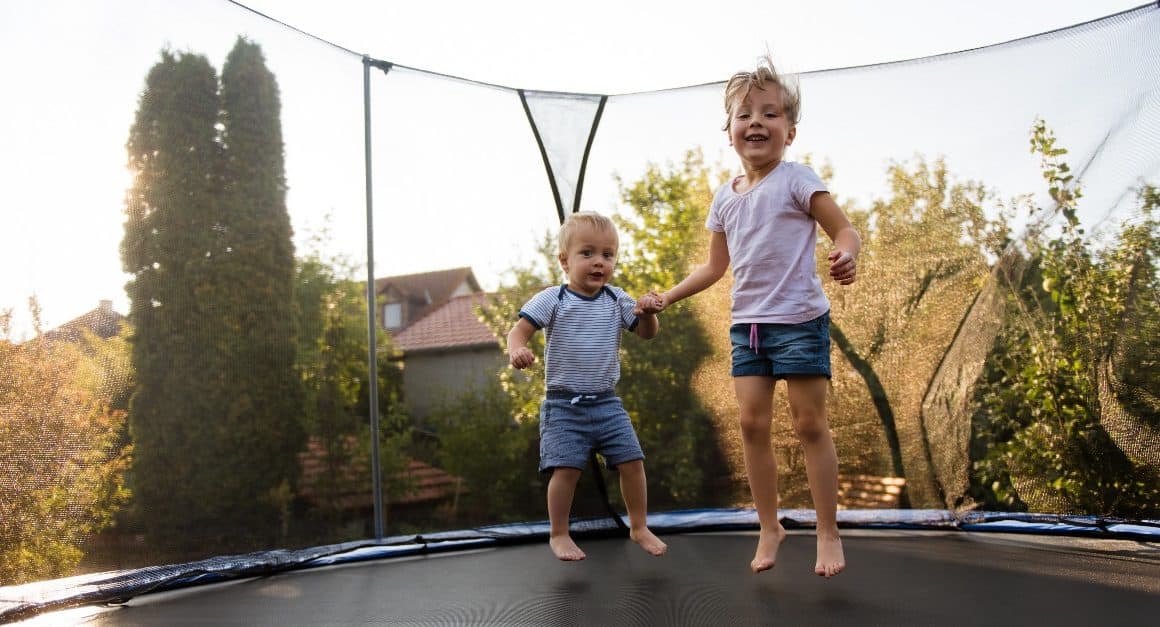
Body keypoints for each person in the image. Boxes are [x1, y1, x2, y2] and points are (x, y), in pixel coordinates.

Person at [637, 56, 860, 578]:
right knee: (751, 424)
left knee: (809, 424)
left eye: (771, 113)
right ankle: (769, 525)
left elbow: (843, 231)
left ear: (790, 131)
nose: (756, 121)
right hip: (749, 327)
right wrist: (668, 296)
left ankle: (828, 532)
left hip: (800, 320)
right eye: (744, 114)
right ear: (729, 132)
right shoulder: (725, 198)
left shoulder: (797, 180)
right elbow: (715, 266)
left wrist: (847, 253)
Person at [507, 210, 668, 562]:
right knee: (565, 469)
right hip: (564, 406)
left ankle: (639, 526)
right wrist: (518, 349)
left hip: (607, 403)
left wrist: (647, 312)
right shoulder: (554, 298)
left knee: (633, 462)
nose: (599, 263)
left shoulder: (617, 299)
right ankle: (560, 533)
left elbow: (646, 334)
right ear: (565, 261)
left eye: (607, 255)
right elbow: (519, 330)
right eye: (588, 253)